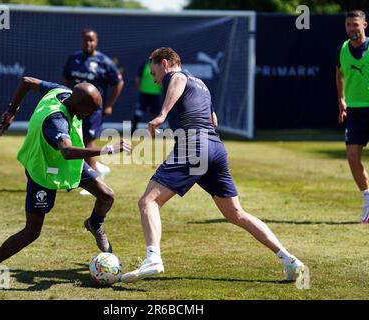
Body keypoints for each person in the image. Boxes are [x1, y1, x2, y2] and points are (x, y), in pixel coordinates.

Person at [121, 47, 305, 283]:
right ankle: (289, 259)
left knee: (148, 201)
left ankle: (153, 258)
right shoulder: (201, 84)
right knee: (236, 213)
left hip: (194, 146)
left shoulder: (175, 76)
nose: (154, 78)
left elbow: (176, 79)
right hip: (215, 148)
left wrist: (162, 114)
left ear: (165, 63)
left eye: (154, 71)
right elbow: (213, 120)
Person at [0, 76, 131, 292]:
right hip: (43, 169)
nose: (92, 115)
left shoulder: (60, 91)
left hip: (67, 164)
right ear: (80, 104)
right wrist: (106, 150)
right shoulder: (56, 120)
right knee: (32, 231)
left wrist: (12, 110)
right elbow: (67, 151)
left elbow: (26, 82)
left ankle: (94, 224)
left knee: (107, 195)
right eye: (91, 110)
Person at [63, 28, 124, 183]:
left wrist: (109, 105)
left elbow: (118, 83)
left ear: (96, 42)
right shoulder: (74, 58)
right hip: (74, 107)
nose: (88, 43)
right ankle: (96, 169)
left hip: (92, 109)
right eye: (86, 40)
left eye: (91, 40)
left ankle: (93, 181)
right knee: (74, 139)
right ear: (82, 41)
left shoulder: (104, 61)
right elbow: (66, 77)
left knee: (89, 140)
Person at [336, 10, 369, 224]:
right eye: (348, 25)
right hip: (354, 112)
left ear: (365, 25)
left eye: (355, 24)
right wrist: (341, 99)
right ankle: (368, 197)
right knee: (353, 158)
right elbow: (339, 73)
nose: (352, 29)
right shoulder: (341, 49)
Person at [131, 60, 163, 135]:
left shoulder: (160, 67)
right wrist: (139, 87)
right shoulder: (144, 66)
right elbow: (138, 78)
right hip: (144, 94)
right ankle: (133, 130)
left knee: (155, 113)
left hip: (155, 94)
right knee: (138, 112)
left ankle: (153, 131)